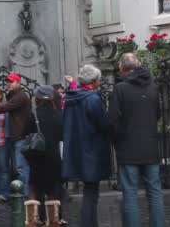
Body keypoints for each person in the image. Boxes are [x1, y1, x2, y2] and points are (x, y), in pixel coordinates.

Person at [108, 53, 165, 227]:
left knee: (130, 194)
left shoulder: (121, 88)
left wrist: (117, 139)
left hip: (127, 147)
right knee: (155, 192)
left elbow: (113, 120)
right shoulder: (153, 87)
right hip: (150, 146)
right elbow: (157, 114)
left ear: (122, 68)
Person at [62, 65, 110, 227]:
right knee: (91, 192)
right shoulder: (92, 99)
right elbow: (102, 124)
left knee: (88, 191)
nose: (99, 83)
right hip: (92, 149)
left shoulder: (70, 98)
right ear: (93, 82)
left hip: (77, 148)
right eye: (98, 80)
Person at [0, 73, 32, 195]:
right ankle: (9, 193)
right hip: (12, 137)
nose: (8, 83)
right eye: (8, 81)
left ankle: (25, 195)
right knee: (13, 167)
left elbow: (5, 108)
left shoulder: (20, 96)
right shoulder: (13, 95)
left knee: (20, 167)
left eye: (11, 81)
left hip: (20, 136)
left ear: (18, 83)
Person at [23, 85, 63, 227]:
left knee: (34, 187)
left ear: (38, 98)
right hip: (54, 156)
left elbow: (24, 133)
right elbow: (62, 135)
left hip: (37, 156)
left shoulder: (33, 114)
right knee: (52, 189)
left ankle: (32, 220)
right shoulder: (58, 114)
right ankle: (53, 221)